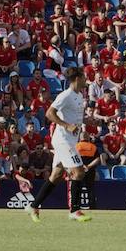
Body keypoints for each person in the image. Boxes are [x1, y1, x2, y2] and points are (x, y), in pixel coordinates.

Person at [29, 67, 90, 223]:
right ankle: (75, 210)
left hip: (70, 139)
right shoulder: (66, 95)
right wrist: (66, 125)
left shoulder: (78, 95)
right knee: (78, 172)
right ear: (77, 78)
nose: (86, 79)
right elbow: (50, 113)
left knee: (55, 176)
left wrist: (89, 122)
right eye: (84, 77)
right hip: (63, 139)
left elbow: (75, 117)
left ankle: (34, 206)